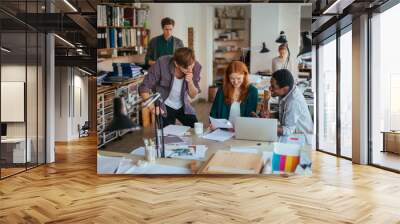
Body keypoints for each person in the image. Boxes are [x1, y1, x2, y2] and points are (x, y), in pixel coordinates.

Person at [139, 47, 201, 128]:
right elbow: (144, 87)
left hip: (183, 104)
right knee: (167, 136)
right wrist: (152, 108)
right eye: (186, 68)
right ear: (176, 64)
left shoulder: (196, 66)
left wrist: (190, 82)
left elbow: (193, 95)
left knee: (196, 128)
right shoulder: (162, 63)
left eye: (191, 65)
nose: (190, 69)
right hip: (164, 105)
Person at [261, 69, 313, 144]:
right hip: (292, 135)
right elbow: (285, 114)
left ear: (284, 89)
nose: (270, 88)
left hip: (302, 140)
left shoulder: (293, 101)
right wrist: (270, 115)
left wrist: (266, 127)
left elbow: (287, 130)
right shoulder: (284, 93)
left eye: (273, 86)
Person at [209, 61, 258, 130]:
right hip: (222, 130)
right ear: (227, 77)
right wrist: (213, 124)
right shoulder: (222, 90)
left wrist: (237, 128)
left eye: (239, 78)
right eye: (232, 78)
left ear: (244, 75)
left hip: (243, 131)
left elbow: (250, 117)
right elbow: (213, 112)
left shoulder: (252, 91)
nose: (235, 82)